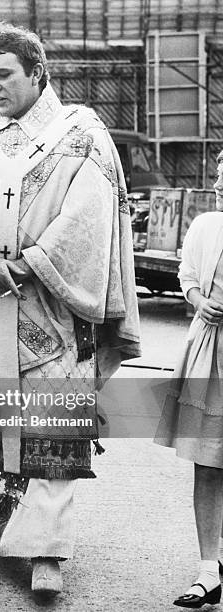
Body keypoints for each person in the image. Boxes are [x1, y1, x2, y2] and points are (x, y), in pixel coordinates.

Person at [0, 22, 141, 595]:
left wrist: (32, 262)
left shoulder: (83, 135)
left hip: (51, 306)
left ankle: (47, 554)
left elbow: (89, 218)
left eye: (4, 75)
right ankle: (7, 525)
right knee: (0, 426)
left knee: (51, 427)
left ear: (38, 73)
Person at [155, 149, 223, 609]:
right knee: (208, 460)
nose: (220, 186)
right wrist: (199, 300)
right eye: (220, 177)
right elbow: (188, 277)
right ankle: (207, 571)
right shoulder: (205, 226)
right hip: (211, 348)